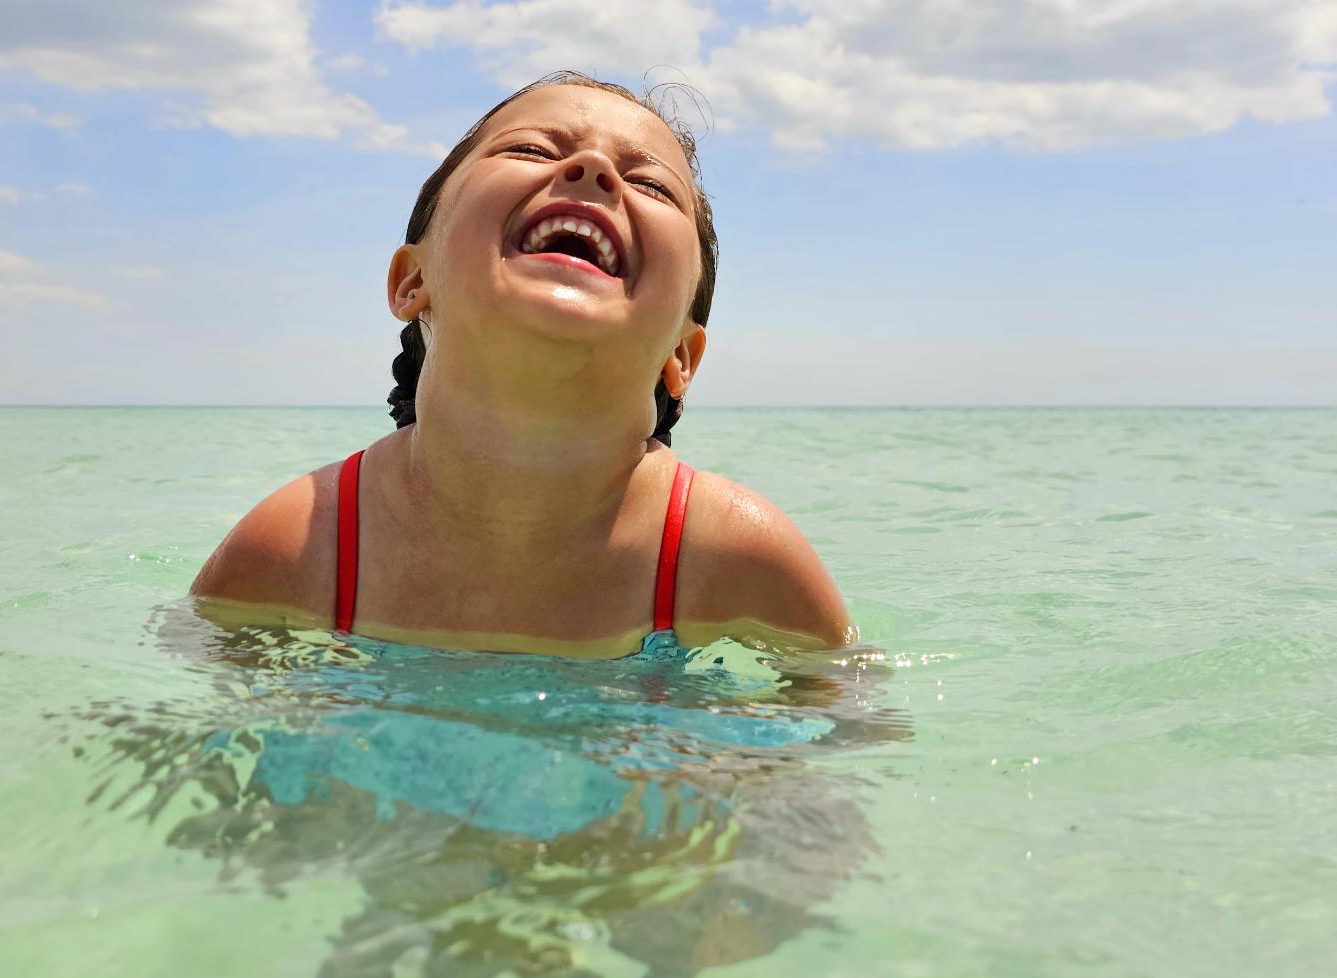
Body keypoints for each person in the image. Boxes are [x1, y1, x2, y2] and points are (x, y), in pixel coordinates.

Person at [191, 71, 854, 659]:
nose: (593, 169)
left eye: (650, 183)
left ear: (681, 355)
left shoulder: (732, 556)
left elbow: (838, 744)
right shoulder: (299, 547)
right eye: (531, 149)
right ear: (411, 280)